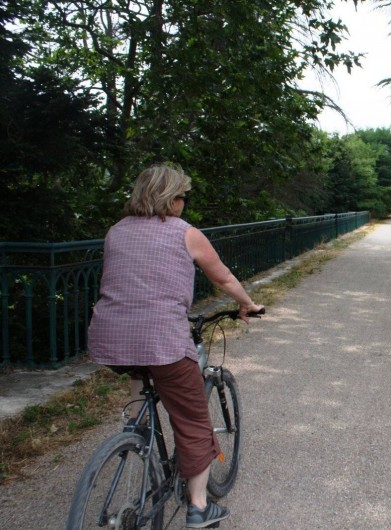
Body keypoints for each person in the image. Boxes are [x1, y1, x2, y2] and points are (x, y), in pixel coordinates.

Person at [87, 163, 264, 528]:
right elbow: (223, 277)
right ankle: (199, 507)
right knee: (194, 421)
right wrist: (248, 304)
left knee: (142, 372)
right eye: (183, 196)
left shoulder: (116, 231)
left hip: (110, 336)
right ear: (172, 199)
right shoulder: (186, 234)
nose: (185, 203)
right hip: (161, 340)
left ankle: (135, 432)